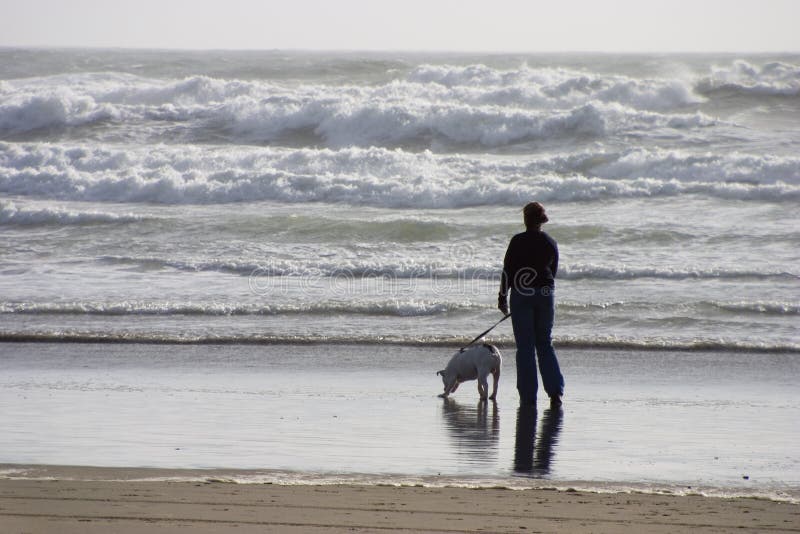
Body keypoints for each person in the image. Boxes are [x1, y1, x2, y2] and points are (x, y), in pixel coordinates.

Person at [498, 202, 564, 407]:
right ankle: (555, 393)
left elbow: (507, 270)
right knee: (544, 342)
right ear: (541, 220)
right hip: (545, 293)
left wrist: (502, 297)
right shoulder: (550, 242)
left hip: (521, 293)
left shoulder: (517, 241)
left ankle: (528, 396)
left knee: (525, 347)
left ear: (525, 220)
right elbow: (552, 272)